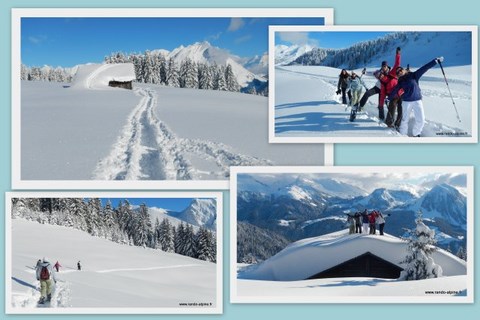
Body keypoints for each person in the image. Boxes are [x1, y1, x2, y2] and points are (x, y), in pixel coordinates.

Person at [390, 57, 444, 137]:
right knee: (404, 120)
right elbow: (394, 90)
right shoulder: (400, 81)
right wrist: (388, 98)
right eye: (397, 72)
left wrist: (435, 61)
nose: (399, 72)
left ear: (404, 70)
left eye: (400, 70)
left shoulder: (414, 75)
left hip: (417, 101)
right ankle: (403, 134)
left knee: (421, 120)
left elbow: (425, 68)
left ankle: (416, 133)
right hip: (406, 102)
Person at [377, 47, 401, 120]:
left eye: (385, 66)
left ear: (387, 66)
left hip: (399, 93)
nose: (384, 67)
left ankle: (399, 124)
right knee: (391, 108)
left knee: (401, 108)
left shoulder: (392, 73)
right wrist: (381, 105)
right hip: (391, 96)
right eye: (380, 76)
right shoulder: (382, 83)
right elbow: (383, 94)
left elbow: (397, 64)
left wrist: (398, 54)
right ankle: (387, 121)